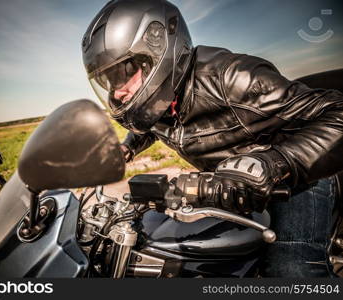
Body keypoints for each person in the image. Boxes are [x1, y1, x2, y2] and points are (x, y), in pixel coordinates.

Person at [81, 0, 343, 277]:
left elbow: (337, 112)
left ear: (157, 50)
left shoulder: (232, 78)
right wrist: (125, 148)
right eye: (108, 80)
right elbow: (148, 126)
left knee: (289, 269)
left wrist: (274, 163)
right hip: (231, 187)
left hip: (298, 178)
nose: (116, 92)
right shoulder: (160, 99)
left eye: (122, 73)